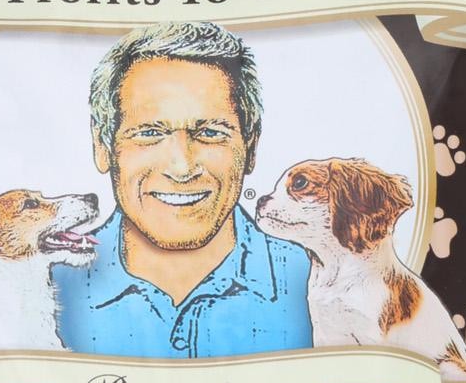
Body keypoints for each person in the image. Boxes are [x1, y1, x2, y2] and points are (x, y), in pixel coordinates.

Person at [53, 22, 313, 358]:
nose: (182, 168)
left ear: (251, 146)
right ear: (102, 146)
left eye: (211, 133)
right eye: (149, 133)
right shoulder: (44, 284)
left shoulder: (314, 278)